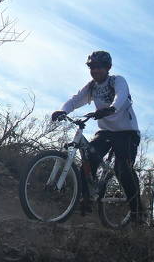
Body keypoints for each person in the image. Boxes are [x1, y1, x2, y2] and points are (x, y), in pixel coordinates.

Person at [51, 51, 144, 223]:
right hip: (106, 132)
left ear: (107, 68)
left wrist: (111, 108)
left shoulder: (117, 81)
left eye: (99, 67)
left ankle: (138, 213)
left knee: (122, 169)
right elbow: (75, 100)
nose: (95, 70)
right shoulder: (92, 87)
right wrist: (63, 110)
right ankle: (86, 198)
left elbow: (121, 96)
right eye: (92, 67)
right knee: (88, 158)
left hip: (127, 132)